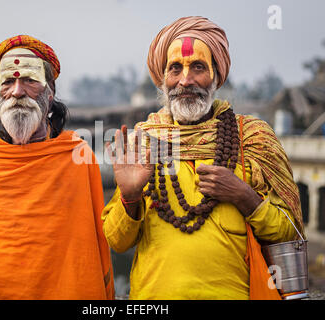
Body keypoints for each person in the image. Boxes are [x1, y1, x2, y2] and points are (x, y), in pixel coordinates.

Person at [102, 16, 304, 300]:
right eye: (175, 69)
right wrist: (131, 197)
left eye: (198, 67)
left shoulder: (252, 139)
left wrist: (244, 196)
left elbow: (289, 235)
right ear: (163, 80)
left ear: (217, 76)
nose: (185, 80)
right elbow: (116, 241)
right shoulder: (143, 143)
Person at [0, 35, 114, 300]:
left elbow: (92, 242)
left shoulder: (76, 155)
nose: (17, 91)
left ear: (49, 94)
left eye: (29, 80)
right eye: (8, 82)